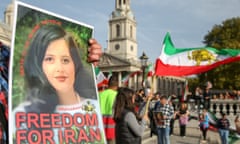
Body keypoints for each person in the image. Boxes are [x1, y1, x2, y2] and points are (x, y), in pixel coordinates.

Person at [12, 24, 104, 143]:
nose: (59, 68)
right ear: (39, 65)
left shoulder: (93, 107)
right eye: (49, 59)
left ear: (75, 64)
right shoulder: (22, 115)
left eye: (65, 60)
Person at [99, 76, 119, 144]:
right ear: (117, 85)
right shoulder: (117, 95)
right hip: (113, 129)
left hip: (100, 127)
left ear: (108, 84)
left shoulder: (100, 94)